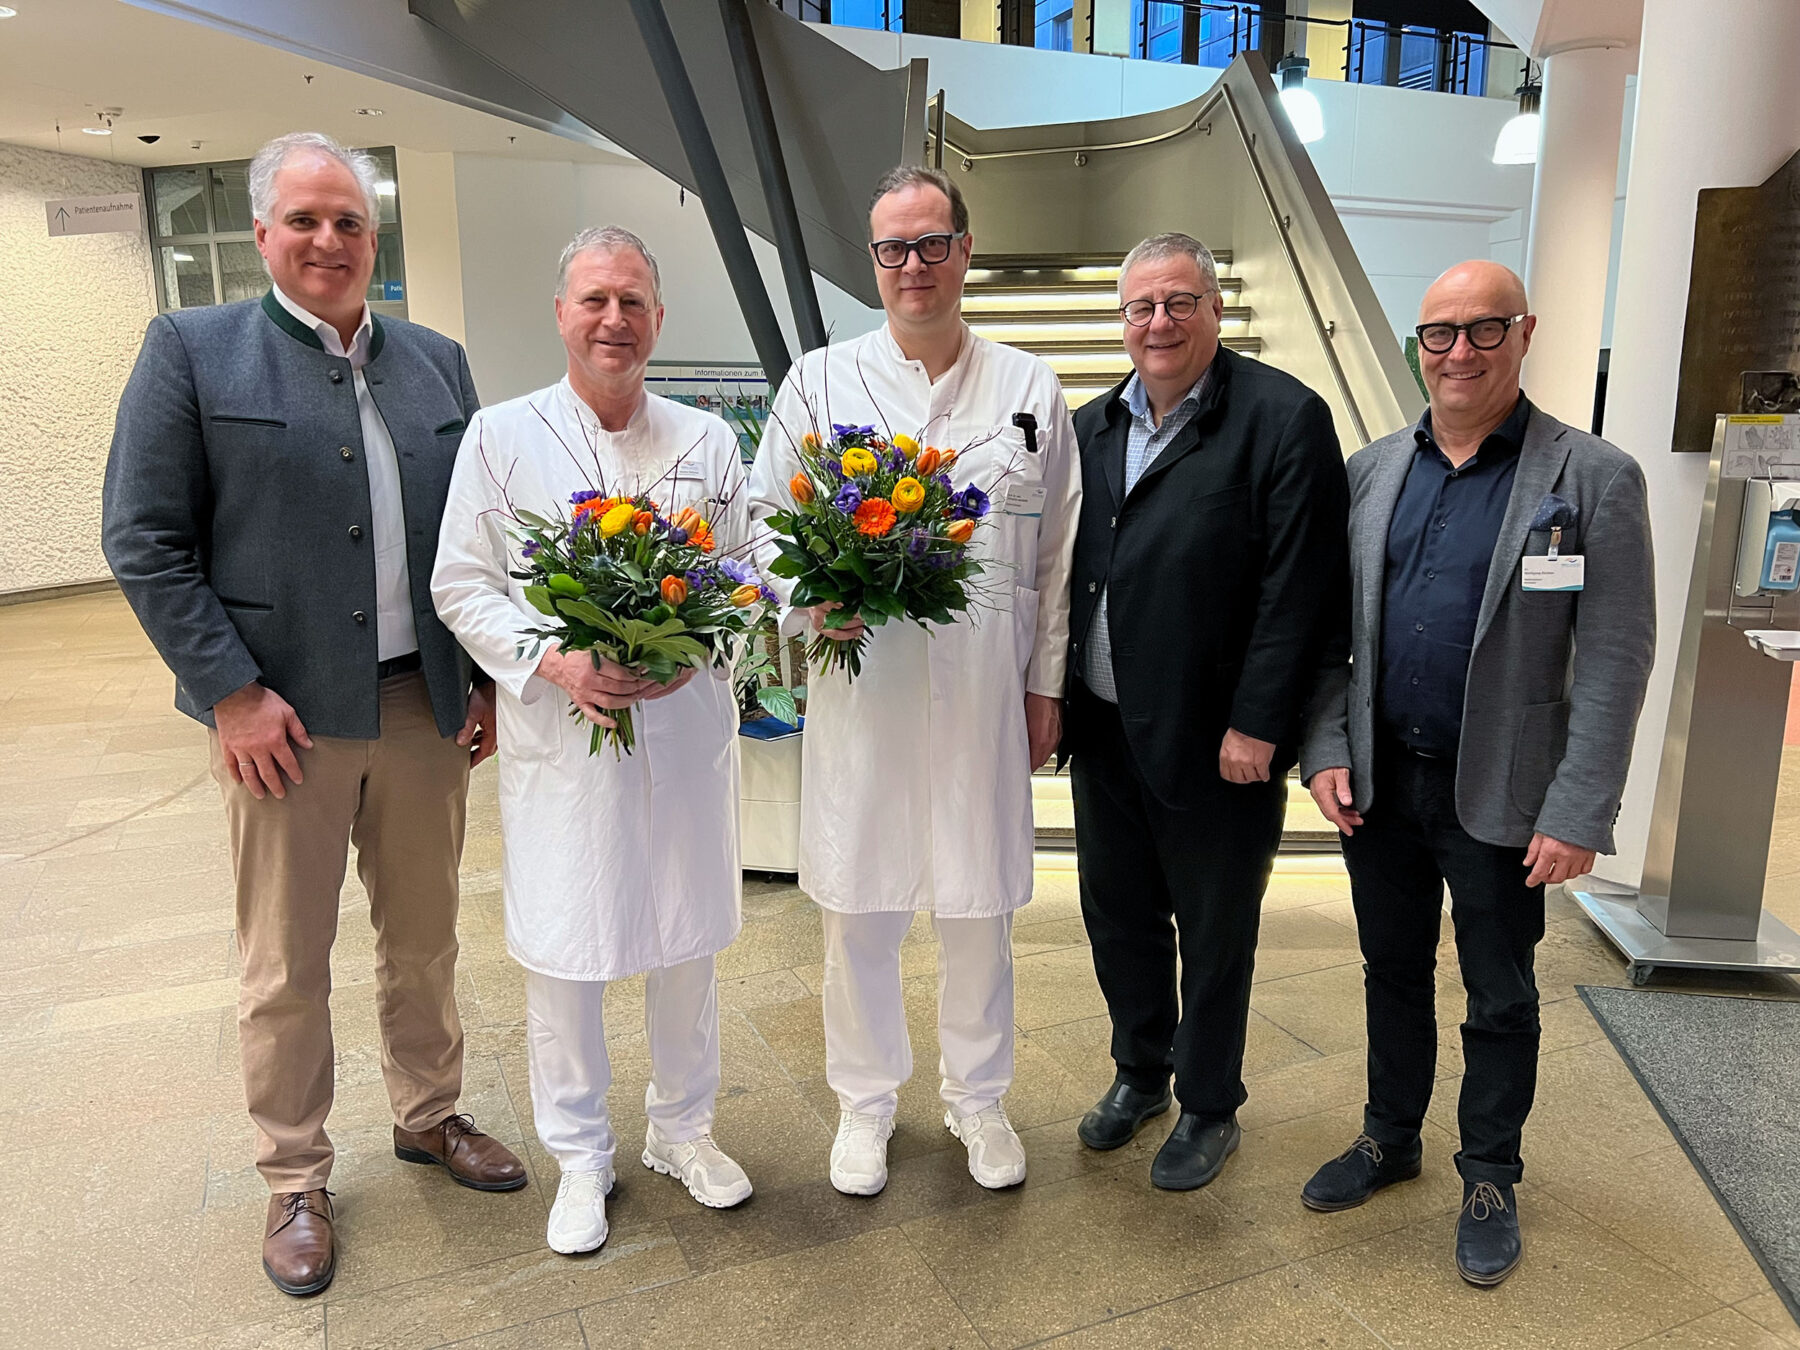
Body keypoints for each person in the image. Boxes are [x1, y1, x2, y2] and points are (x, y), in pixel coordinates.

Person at [102, 132, 522, 1298]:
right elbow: (143, 536)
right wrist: (230, 693)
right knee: (286, 961)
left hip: (423, 708)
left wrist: (485, 677)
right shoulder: (193, 352)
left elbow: (482, 538)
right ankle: (293, 1173)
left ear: (373, 237)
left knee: (425, 938)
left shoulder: (437, 363)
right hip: (281, 722)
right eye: (304, 220)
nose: (328, 240)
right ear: (262, 234)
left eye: (348, 221)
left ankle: (429, 1113)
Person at [1299, 260, 1655, 1287]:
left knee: (1499, 989)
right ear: (1418, 344)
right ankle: (1389, 1135)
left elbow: (1616, 655)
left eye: (1484, 329)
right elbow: (1327, 635)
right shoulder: (1370, 472)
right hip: (1381, 785)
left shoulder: (1593, 477)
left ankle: (1491, 1173)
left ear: (1525, 333)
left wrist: (1578, 807)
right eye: (1440, 332)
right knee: (1391, 970)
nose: (1460, 351)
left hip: (1505, 790)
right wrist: (1326, 748)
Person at [746, 165, 1080, 1196]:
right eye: (894, 248)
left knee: (980, 912)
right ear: (873, 260)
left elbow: (1057, 553)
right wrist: (810, 598)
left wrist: (1046, 686)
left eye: (933, 243)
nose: (914, 265)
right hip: (868, 695)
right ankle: (865, 1103)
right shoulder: (819, 383)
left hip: (983, 697)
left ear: (964, 250)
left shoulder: (1028, 389)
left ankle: (978, 1100)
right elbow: (761, 523)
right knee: (860, 910)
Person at [432, 226, 753, 1256]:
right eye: (595, 300)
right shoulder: (501, 435)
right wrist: (553, 660)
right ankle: (579, 1154)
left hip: (683, 733)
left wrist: (697, 647)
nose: (614, 320)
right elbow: (460, 582)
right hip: (564, 740)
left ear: (659, 317)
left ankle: (683, 1130)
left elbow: (746, 573)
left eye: (633, 301)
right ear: (561, 313)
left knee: (687, 943)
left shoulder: (707, 441)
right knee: (566, 950)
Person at [1062, 232, 1350, 1191]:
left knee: (1216, 930)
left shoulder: (1283, 418)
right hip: (1106, 728)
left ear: (1216, 311)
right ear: (1122, 321)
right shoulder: (1092, 425)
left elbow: (1299, 590)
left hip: (1219, 741)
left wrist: (1260, 724)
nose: (1160, 322)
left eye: (1180, 302)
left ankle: (1209, 1103)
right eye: (1141, 306)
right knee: (1119, 916)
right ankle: (1140, 1071)